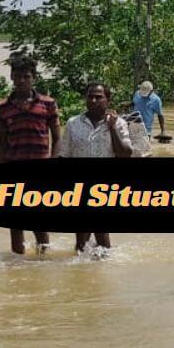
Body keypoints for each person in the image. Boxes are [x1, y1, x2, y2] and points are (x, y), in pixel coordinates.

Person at [0, 55, 60, 254]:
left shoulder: (48, 104)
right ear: (12, 77)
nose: (21, 80)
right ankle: (18, 263)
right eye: (17, 76)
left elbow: (57, 138)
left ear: (33, 78)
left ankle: (43, 260)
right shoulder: (3, 107)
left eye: (26, 76)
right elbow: (2, 143)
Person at [58, 83, 132, 253]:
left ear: (108, 100)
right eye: (90, 96)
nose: (93, 100)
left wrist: (112, 127)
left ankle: (93, 269)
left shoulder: (119, 123)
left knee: (100, 238)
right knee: (82, 240)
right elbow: (65, 155)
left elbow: (125, 154)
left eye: (99, 97)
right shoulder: (72, 123)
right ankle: (88, 272)